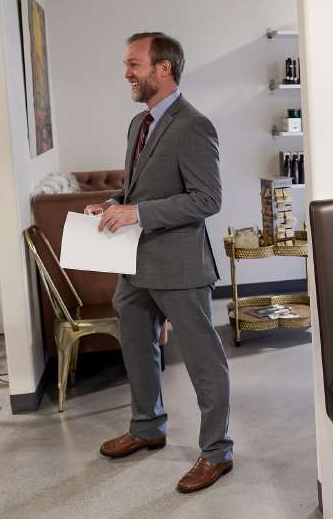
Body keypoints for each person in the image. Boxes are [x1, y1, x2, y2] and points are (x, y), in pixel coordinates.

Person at [83, 31, 231, 494]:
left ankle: (216, 452)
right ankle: (147, 426)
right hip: (136, 264)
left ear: (162, 68)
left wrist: (139, 213)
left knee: (203, 360)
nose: (127, 72)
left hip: (181, 266)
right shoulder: (138, 124)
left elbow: (207, 199)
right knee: (136, 346)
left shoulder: (194, 125)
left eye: (134, 64)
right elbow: (136, 191)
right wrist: (111, 203)